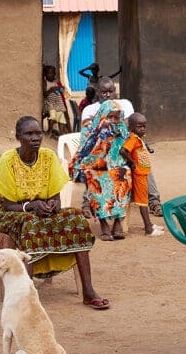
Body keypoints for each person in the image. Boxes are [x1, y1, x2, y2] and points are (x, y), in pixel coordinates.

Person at [0, 116, 110, 309]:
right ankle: (27, 296)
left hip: (40, 212)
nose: (35, 138)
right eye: (29, 134)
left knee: (76, 218)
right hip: (13, 213)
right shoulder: (8, 160)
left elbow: (55, 197)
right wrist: (31, 206)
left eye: (38, 133)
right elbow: (8, 204)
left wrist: (53, 205)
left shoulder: (48, 157)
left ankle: (88, 291)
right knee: (31, 223)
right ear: (18, 137)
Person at [79, 75, 164, 216]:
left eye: (110, 91)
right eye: (103, 92)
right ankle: (87, 203)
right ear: (97, 92)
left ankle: (154, 201)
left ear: (115, 91)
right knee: (95, 166)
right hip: (101, 150)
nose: (107, 95)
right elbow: (88, 134)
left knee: (142, 162)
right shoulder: (90, 109)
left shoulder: (125, 104)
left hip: (123, 148)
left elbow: (132, 128)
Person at [70, 101, 133, 241]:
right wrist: (101, 136)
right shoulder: (90, 130)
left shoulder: (121, 129)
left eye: (116, 118)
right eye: (110, 117)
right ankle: (103, 223)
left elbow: (123, 150)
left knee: (125, 173)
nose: (113, 121)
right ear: (103, 115)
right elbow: (85, 152)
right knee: (95, 177)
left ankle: (117, 222)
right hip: (94, 164)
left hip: (115, 164)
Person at [120, 113, 164, 236]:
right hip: (139, 174)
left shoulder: (137, 138)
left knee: (144, 200)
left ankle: (150, 225)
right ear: (131, 127)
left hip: (143, 173)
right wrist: (132, 162)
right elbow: (123, 151)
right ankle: (148, 229)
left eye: (144, 126)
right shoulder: (133, 139)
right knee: (143, 202)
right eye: (139, 127)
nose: (143, 129)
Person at [41, 65, 72, 137]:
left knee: (61, 117)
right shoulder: (45, 82)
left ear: (54, 74)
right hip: (50, 103)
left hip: (59, 103)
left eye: (52, 73)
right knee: (52, 116)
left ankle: (62, 133)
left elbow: (62, 91)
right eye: (48, 73)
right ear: (45, 75)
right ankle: (50, 131)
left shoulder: (56, 82)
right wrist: (52, 89)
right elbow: (45, 94)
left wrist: (61, 89)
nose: (50, 75)